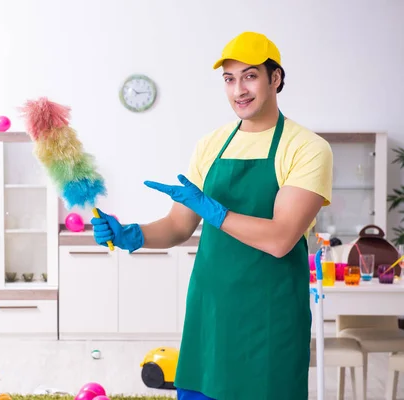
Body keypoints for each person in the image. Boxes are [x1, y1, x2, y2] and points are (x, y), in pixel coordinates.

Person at [91, 31, 333, 400]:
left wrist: (216, 212)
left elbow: (282, 238)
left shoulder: (306, 148)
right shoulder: (211, 144)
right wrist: (131, 234)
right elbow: (177, 225)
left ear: (276, 78)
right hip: (211, 312)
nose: (239, 90)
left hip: (270, 318)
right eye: (229, 79)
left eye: (250, 76)